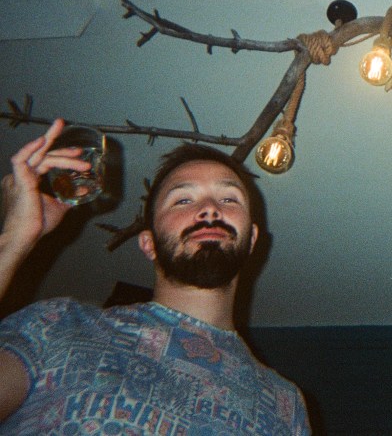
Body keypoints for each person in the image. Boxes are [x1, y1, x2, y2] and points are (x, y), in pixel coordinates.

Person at [0, 118, 312, 434]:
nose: (209, 209)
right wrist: (14, 239)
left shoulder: (286, 404)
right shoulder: (59, 325)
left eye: (229, 199)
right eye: (183, 200)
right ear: (149, 244)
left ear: (252, 239)